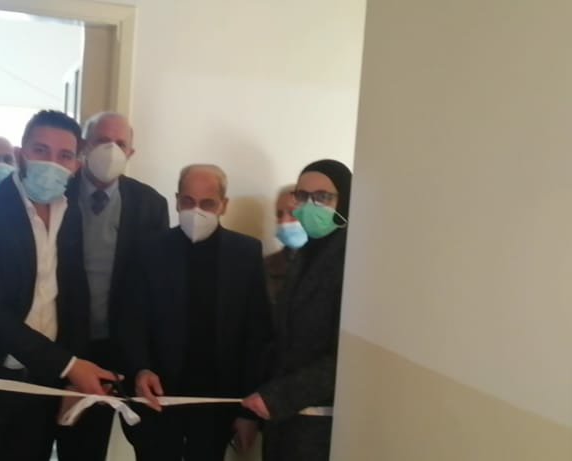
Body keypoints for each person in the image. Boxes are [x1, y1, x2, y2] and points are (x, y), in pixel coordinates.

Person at [0, 110, 116, 461]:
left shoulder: (70, 213)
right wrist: (68, 365)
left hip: (42, 387)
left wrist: (70, 376)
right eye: (41, 150)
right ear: (22, 154)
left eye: (64, 155)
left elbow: (74, 297)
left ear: (77, 165)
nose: (52, 163)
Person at [120, 164, 271, 461]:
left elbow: (257, 335)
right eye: (188, 201)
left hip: (217, 402)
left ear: (223, 205)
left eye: (208, 203)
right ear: (177, 201)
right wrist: (140, 368)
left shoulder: (246, 253)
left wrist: (248, 413)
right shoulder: (149, 250)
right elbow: (131, 320)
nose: (196, 211)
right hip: (157, 397)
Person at [56, 111, 170, 461]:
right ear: (84, 146)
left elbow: (156, 285)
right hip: (71, 349)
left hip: (129, 349)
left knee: (151, 444)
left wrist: (146, 358)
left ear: (131, 152)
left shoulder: (150, 204)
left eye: (120, 143)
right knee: (80, 448)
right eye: (102, 141)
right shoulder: (57, 192)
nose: (111, 150)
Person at [241, 159, 352, 461]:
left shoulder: (353, 260)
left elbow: (345, 357)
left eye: (322, 197)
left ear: (345, 200)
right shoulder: (305, 256)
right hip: (284, 419)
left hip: (319, 423)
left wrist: (280, 396)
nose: (309, 205)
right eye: (302, 196)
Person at [264, 184, 306, 305]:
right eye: (279, 214)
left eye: (293, 213)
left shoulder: (341, 263)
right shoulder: (266, 265)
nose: (283, 221)